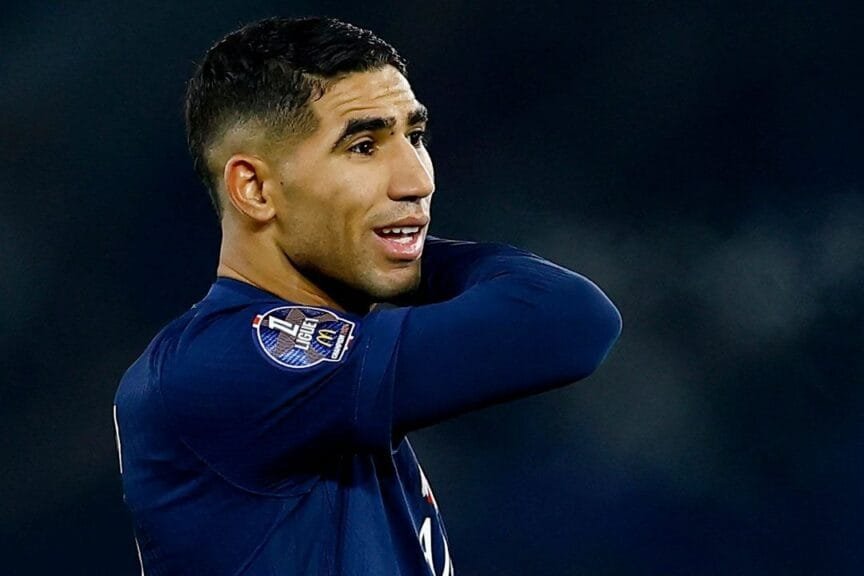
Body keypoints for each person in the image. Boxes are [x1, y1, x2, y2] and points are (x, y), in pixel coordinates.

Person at [113, 16, 621, 576]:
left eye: (415, 137)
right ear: (255, 189)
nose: (416, 180)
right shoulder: (225, 363)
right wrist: (402, 253)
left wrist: (387, 245)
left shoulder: (333, 381)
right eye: (363, 146)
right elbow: (568, 319)